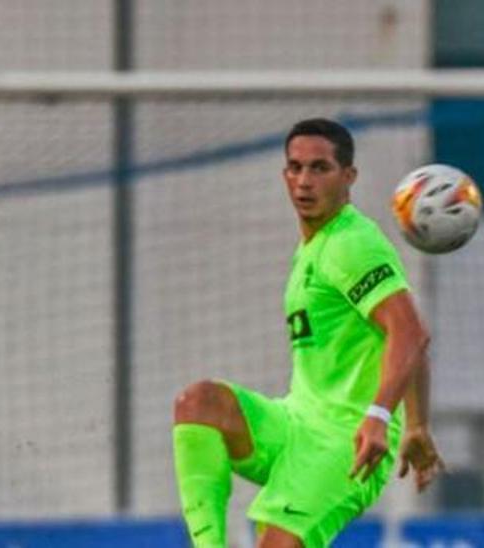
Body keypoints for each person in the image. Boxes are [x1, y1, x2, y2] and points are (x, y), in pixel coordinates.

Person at [172, 118, 443, 548]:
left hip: (346, 442)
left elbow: (410, 333)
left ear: (348, 177)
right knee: (199, 403)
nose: (304, 181)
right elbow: (403, 339)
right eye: (295, 168)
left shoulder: (352, 243)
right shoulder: (313, 247)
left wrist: (381, 417)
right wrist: (418, 426)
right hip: (297, 421)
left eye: (320, 168)